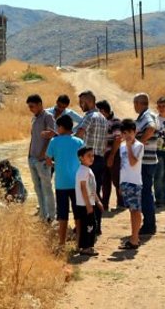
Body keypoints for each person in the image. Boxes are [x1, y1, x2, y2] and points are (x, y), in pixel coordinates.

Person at [46, 115, 84, 246]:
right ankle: (79, 241)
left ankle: (61, 242)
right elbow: (83, 159)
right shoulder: (79, 142)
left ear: (61, 127)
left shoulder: (54, 141)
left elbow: (48, 160)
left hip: (61, 183)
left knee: (62, 214)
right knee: (78, 214)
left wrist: (56, 164)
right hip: (76, 183)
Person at [75, 91, 107, 235]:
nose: (80, 105)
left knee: (85, 195)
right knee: (95, 192)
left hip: (88, 161)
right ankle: (96, 225)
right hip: (99, 159)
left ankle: (87, 226)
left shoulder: (89, 117)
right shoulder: (102, 117)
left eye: (81, 102)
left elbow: (79, 135)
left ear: (88, 102)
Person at [26, 94, 56, 223]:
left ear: (39, 104)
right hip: (32, 157)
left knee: (46, 187)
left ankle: (51, 215)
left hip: (42, 159)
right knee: (37, 188)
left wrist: (43, 154)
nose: (30, 109)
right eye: (29, 107)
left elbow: (52, 136)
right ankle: (43, 215)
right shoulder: (34, 118)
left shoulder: (48, 117)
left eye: (32, 106)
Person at [134, 93, 158, 235]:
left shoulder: (146, 116)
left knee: (145, 193)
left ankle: (149, 225)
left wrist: (140, 143)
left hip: (146, 161)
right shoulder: (148, 114)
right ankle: (149, 223)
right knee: (147, 192)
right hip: (149, 160)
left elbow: (151, 128)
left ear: (138, 103)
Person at [118, 118, 144, 250]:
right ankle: (134, 237)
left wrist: (129, 147)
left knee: (136, 210)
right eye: (124, 133)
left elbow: (133, 162)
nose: (127, 135)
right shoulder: (121, 146)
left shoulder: (139, 146)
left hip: (134, 182)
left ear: (135, 132)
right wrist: (120, 184)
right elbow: (122, 166)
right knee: (131, 210)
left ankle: (134, 238)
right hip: (125, 182)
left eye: (129, 132)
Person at [75, 147, 104, 256]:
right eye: (88, 156)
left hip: (90, 203)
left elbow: (92, 188)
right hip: (84, 205)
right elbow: (83, 188)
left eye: (92, 156)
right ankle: (85, 247)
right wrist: (88, 205)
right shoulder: (82, 171)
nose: (92, 158)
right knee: (88, 226)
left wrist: (97, 201)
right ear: (81, 158)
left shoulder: (89, 170)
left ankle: (88, 246)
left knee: (92, 225)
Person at [96, 100, 123, 211]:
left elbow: (118, 139)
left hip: (113, 154)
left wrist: (112, 155)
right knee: (105, 181)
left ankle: (121, 203)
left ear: (102, 111)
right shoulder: (101, 121)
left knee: (117, 180)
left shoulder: (115, 122)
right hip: (103, 154)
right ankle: (105, 204)